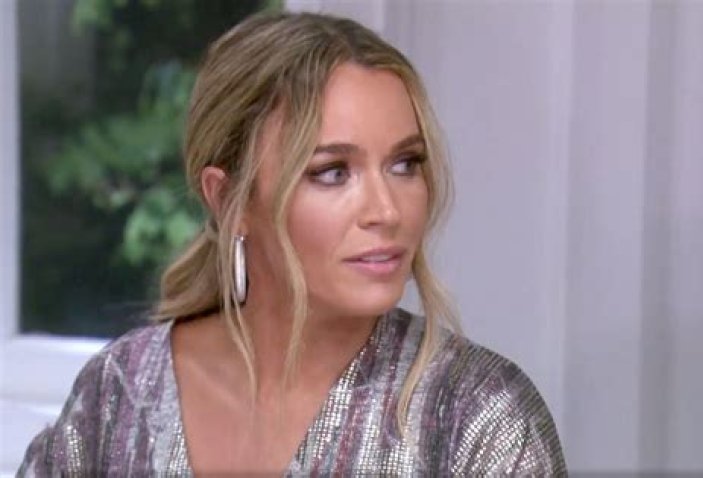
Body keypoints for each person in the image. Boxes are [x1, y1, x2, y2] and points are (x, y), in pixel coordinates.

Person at [19, 11, 566, 476]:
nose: (387, 210)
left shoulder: (479, 415)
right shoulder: (120, 395)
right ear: (227, 199)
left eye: (405, 164)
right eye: (332, 172)